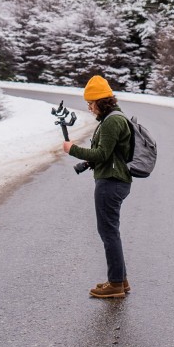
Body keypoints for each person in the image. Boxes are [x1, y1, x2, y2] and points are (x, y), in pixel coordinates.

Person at [62, 75, 132, 299]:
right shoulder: (113, 118)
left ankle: (115, 285)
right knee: (111, 231)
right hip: (113, 179)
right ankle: (120, 280)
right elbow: (109, 153)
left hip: (111, 182)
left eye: (91, 104)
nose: (90, 108)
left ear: (101, 102)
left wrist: (73, 149)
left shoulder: (112, 121)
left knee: (108, 232)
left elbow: (102, 154)